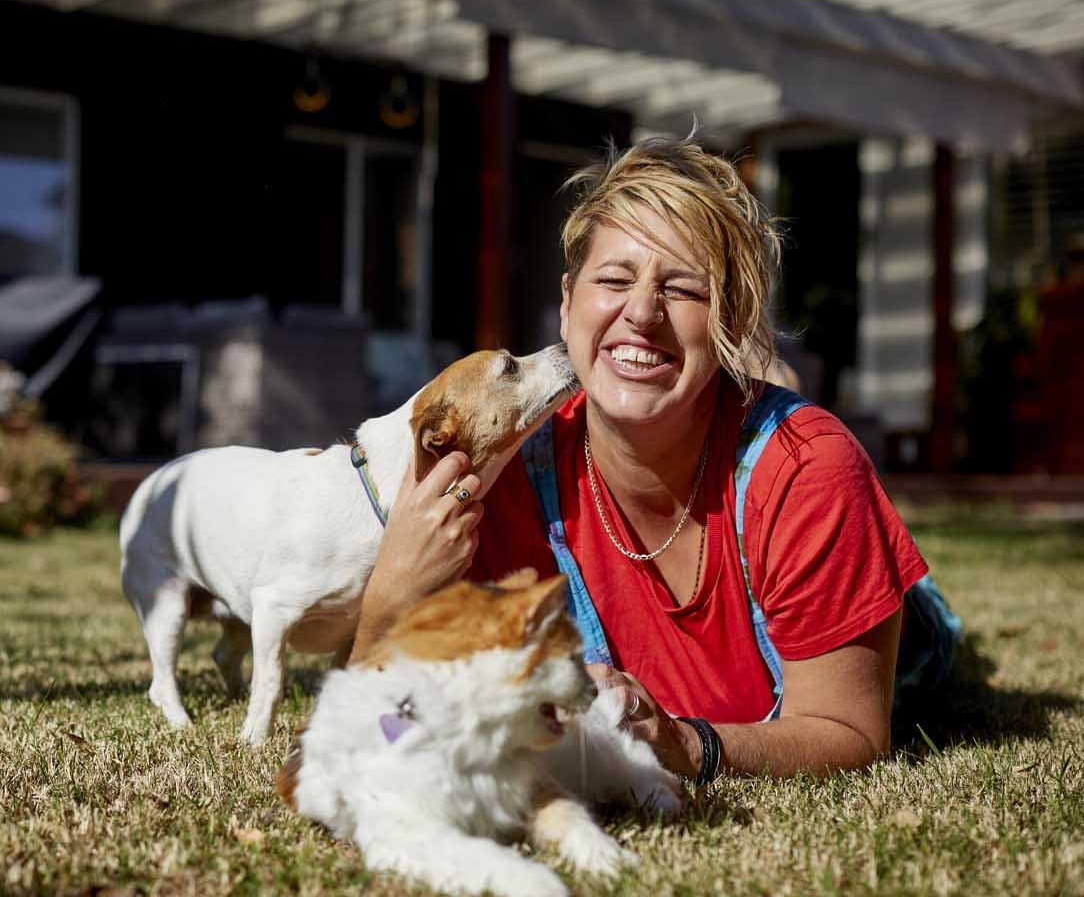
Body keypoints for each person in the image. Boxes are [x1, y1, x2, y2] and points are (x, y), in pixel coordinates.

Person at [349, 137, 958, 784]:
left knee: (909, 617)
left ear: (731, 319)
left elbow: (850, 730)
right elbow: (366, 728)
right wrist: (391, 590)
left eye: (683, 288)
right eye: (614, 280)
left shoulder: (808, 470)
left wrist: (688, 746)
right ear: (567, 303)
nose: (641, 312)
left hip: (889, 622)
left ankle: (761, 398)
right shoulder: (495, 476)